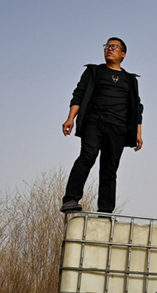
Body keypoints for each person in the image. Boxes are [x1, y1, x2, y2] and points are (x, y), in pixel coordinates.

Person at [60, 37, 144, 214]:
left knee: (109, 169)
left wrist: (138, 132)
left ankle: (105, 212)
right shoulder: (94, 71)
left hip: (118, 127)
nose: (109, 49)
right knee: (87, 156)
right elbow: (79, 94)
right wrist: (70, 118)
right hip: (94, 121)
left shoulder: (130, 80)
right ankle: (71, 199)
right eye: (107, 46)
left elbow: (137, 107)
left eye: (114, 47)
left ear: (123, 54)